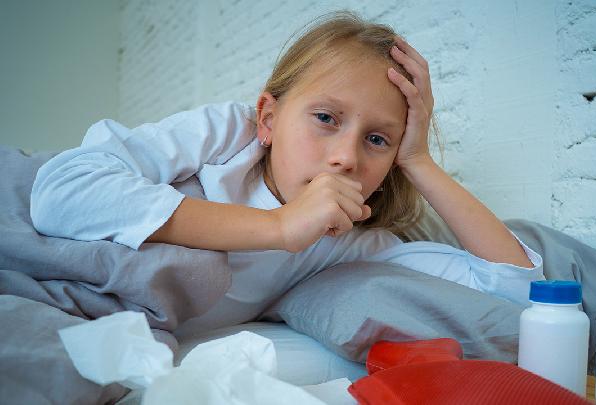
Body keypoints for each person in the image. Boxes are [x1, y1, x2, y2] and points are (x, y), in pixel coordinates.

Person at [30, 11, 543, 334]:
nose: (346, 156)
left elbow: (518, 289)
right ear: (270, 118)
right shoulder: (231, 134)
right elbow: (61, 189)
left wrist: (418, 161)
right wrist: (276, 229)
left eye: (378, 140)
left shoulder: (350, 243)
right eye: (325, 119)